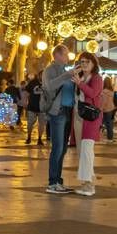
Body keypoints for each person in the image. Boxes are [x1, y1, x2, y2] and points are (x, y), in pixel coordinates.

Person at [41, 45, 75, 194]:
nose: (68, 57)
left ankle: (58, 181)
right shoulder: (50, 70)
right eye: (66, 54)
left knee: (63, 149)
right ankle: (52, 182)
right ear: (58, 55)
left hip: (68, 111)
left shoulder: (65, 70)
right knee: (57, 148)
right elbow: (49, 86)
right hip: (57, 112)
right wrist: (67, 75)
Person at [72, 52, 104, 195]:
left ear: (93, 64)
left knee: (86, 150)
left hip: (91, 118)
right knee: (81, 151)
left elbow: (93, 93)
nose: (84, 64)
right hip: (79, 117)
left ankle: (90, 185)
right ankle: (86, 182)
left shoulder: (97, 78)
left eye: (87, 62)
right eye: (82, 61)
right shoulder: (80, 77)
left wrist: (80, 84)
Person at [99, 76, 117, 141]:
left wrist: (102, 108)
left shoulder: (103, 92)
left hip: (105, 109)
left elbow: (104, 101)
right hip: (111, 108)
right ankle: (110, 138)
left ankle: (97, 137)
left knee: (100, 123)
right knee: (109, 124)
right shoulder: (112, 91)